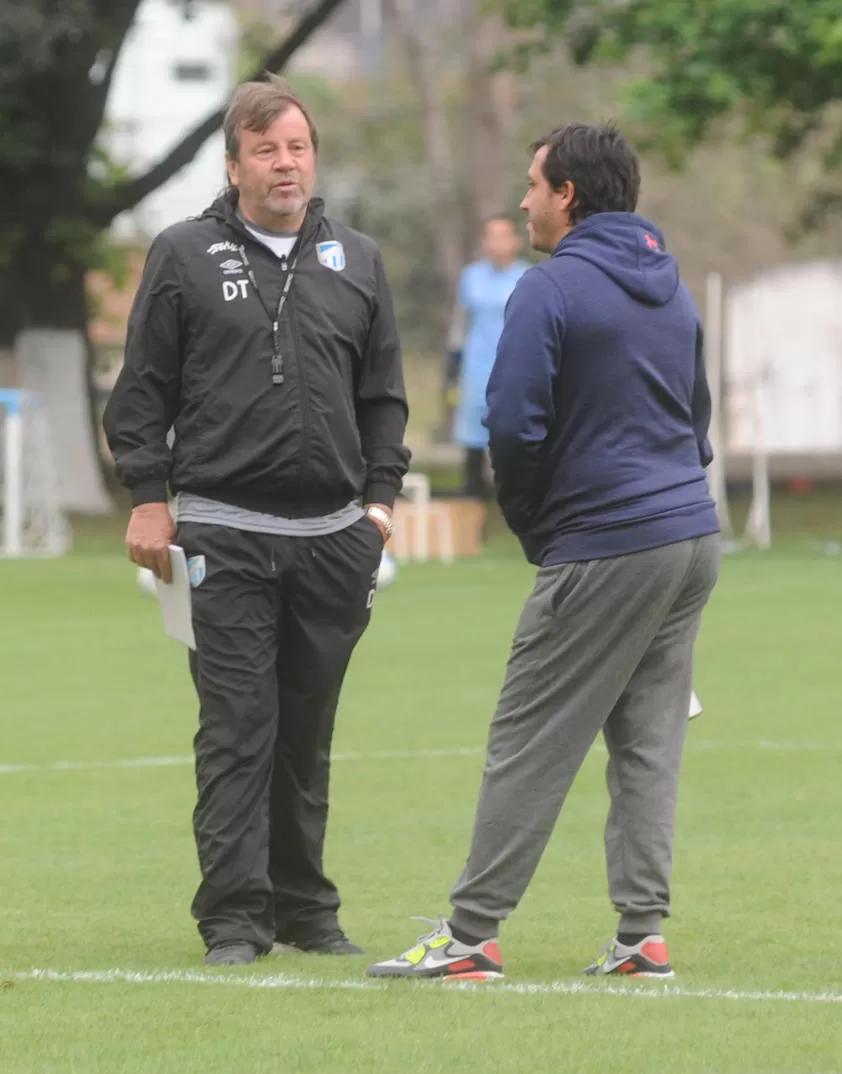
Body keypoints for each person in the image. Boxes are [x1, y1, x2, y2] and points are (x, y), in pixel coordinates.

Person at [367, 123, 720, 982]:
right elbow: (696, 419)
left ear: (567, 194)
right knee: (648, 740)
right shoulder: (672, 289)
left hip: (606, 543)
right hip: (691, 537)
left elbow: (512, 429)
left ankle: (469, 938)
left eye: (532, 184)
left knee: (528, 737)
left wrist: (537, 529)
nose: (522, 201)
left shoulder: (547, 287)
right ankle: (643, 937)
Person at [103, 76, 410, 966]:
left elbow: (383, 396)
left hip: (332, 541)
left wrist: (380, 506)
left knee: (306, 734)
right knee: (240, 727)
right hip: (222, 531)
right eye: (268, 149)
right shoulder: (183, 254)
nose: (287, 164)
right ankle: (235, 918)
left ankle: (304, 908)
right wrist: (149, 497)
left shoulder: (358, 258)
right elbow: (143, 392)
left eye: (299, 147)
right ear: (233, 164)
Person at [449, 216, 529, 498]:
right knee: (472, 441)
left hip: (512, 373)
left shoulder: (527, 277)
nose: (497, 242)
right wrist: (452, 367)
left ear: (516, 241)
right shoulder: (471, 277)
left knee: (509, 441)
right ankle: (473, 504)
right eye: (491, 236)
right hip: (475, 371)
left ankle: (512, 503)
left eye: (504, 235)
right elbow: (461, 323)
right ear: (484, 242)